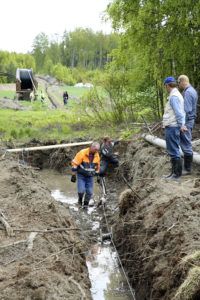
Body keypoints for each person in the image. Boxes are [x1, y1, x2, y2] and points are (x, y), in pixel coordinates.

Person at [163, 77, 187, 182]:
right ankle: (173, 173)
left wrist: (182, 125)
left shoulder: (174, 97)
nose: (165, 88)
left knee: (174, 151)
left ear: (167, 86)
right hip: (172, 126)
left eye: (165, 87)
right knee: (172, 150)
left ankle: (177, 175)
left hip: (172, 127)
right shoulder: (175, 95)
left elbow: (179, 113)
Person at [178, 75, 198, 175]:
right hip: (189, 120)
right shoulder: (192, 91)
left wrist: (182, 125)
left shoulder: (188, 92)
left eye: (179, 83)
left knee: (186, 144)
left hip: (187, 121)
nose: (179, 85)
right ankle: (186, 168)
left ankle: (187, 169)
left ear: (182, 82)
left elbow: (186, 109)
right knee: (186, 143)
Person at [71, 142, 100, 209]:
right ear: (92, 147)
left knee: (89, 192)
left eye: (98, 150)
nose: (96, 151)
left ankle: (85, 206)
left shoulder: (97, 156)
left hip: (90, 177)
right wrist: (73, 175)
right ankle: (80, 201)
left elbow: (97, 167)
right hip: (81, 175)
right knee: (81, 191)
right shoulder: (82, 153)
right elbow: (75, 164)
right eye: (95, 149)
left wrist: (98, 177)